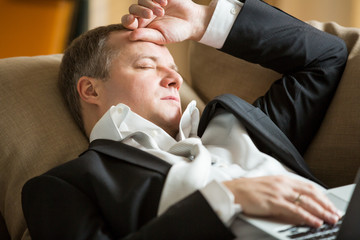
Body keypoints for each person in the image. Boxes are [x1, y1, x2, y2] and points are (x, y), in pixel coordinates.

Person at [21, 0, 348, 239]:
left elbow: (326, 57)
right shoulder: (65, 185)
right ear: (90, 89)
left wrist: (203, 21)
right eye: (147, 65)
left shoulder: (240, 125)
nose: (174, 80)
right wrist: (229, 197)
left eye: (174, 71)